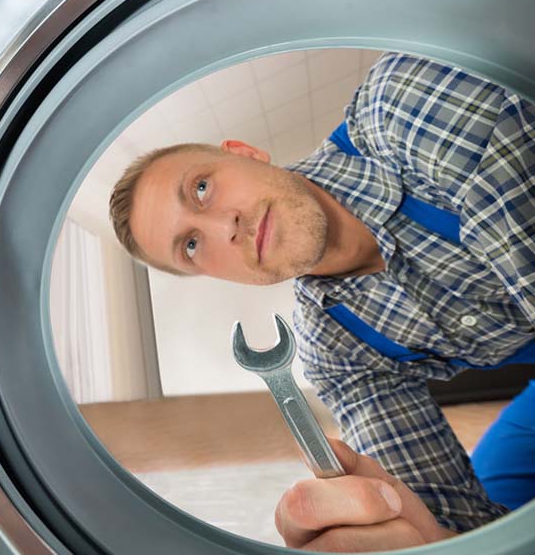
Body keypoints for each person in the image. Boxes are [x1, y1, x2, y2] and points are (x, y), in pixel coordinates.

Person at [108, 52, 535, 552]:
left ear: (245, 152)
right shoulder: (334, 349)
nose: (224, 226)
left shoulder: (405, 106)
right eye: (193, 246)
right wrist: (428, 537)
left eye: (201, 189)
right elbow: (455, 527)